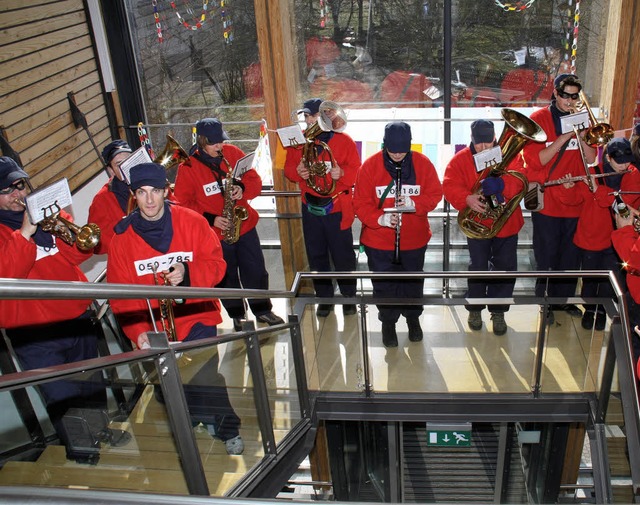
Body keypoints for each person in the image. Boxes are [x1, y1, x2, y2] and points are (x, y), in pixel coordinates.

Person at [107, 162, 244, 455]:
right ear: (134, 195)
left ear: (165, 191)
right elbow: (121, 296)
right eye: (142, 193)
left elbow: (218, 267)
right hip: (155, 328)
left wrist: (188, 272)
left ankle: (226, 427)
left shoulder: (193, 221)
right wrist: (138, 332)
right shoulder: (121, 240)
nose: (150, 200)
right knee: (171, 385)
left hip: (197, 318)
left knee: (207, 376)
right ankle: (193, 420)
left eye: (156, 191)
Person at [0, 156, 127, 462]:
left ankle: (100, 430)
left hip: (77, 318)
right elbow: (8, 274)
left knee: (91, 384)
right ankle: (81, 448)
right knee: (60, 394)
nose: (18, 194)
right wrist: (26, 233)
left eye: (19, 185)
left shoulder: (44, 219)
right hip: (35, 333)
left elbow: (82, 253)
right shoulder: (14, 232)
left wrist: (62, 225)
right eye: (7, 191)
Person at [174, 118, 284, 331]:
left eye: (221, 141)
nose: (220, 146)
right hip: (215, 233)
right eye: (214, 143)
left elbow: (254, 179)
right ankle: (237, 315)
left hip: (244, 225)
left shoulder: (232, 153)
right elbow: (182, 203)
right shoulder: (187, 166)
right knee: (226, 277)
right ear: (201, 142)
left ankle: (262, 310)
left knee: (256, 270)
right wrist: (210, 218)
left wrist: (243, 188)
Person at [352, 122, 443, 347]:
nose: (397, 156)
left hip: (414, 239)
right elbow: (360, 203)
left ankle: (413, 320)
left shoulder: (423, 163)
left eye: (402, 151)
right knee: (383, 285)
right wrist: (379, 219)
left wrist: (415, 203)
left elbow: (435, 194)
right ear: (384, 146)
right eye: (392, 152)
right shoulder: (370, 166)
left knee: (413, 282)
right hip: (379, 241)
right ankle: (388, 323)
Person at [521, 73, 597, 322]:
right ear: (555, 93)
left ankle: (563, 301)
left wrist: (583, 134)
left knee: (570, 257)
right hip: (549, 200)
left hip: (575, 199)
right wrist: (564, 136)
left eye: (575, 96)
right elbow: (536, 159)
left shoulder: (582, 119)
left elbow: (590, 158)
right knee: (546, 256)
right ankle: (545, 303)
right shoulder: (539, 119)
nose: (570, 101)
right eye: (566, 95)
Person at [443, 120, 523, 336]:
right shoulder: (460, 160)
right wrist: (466, 199)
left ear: (495, 138)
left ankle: (499, 311)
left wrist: (504, 186)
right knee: (477, 267)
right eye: (479, 144)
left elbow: (522, 179)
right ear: (472, 139)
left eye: (488, 142)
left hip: (505, 222)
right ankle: (475, 308)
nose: (484, 148)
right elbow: (450, 185)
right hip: (477, 224)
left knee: (505, 269)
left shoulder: (510, 154)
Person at [284, 98, 361, 317]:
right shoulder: (297, 142)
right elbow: (288, 170)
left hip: (337, 207)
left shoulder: (344, 141)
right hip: (311, 206)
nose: (308, 120)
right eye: (306, 116)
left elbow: (356, 169)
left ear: (326, 116)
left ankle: (349, 297)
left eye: (313, 116)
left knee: (343, 255)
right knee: (316, 254)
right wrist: (297, 171)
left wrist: (343, 174)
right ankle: (324, 297)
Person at [559, 137, 640, 331]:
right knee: (590, 276)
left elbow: (621, 206)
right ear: (608, 158)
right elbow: (575, 200)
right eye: (619, 161)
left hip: (621, 237)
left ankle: (603, 310)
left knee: (610, 277)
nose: (624, 165)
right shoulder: (593, 172)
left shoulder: (634, 175)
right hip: (591, 235)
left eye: (628, 161)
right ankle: (589, 309)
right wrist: (568, 188)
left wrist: (597, 189)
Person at [88, 140, 133, 255]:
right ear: (111, 171)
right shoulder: (101, 200)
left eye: (129, 160)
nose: (126, 167)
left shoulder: (151, 182)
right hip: (129, 256)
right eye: (119, 164)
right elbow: (97, 246)